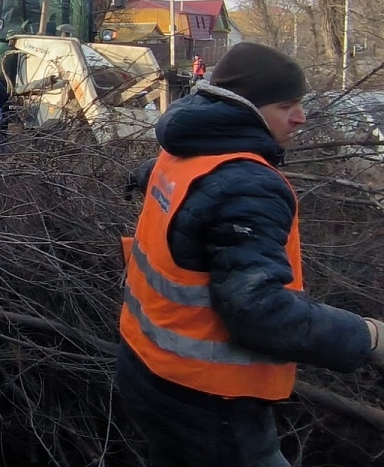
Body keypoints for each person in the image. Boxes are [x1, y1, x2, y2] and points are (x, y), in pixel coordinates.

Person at [118, 42, 384, 467]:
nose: (301, 117)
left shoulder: (180, 154)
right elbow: (258, 311)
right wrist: (366, 337)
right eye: (286, 106)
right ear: (247, 108)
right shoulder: (245, 183)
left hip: (147, 373)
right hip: (212, 402)